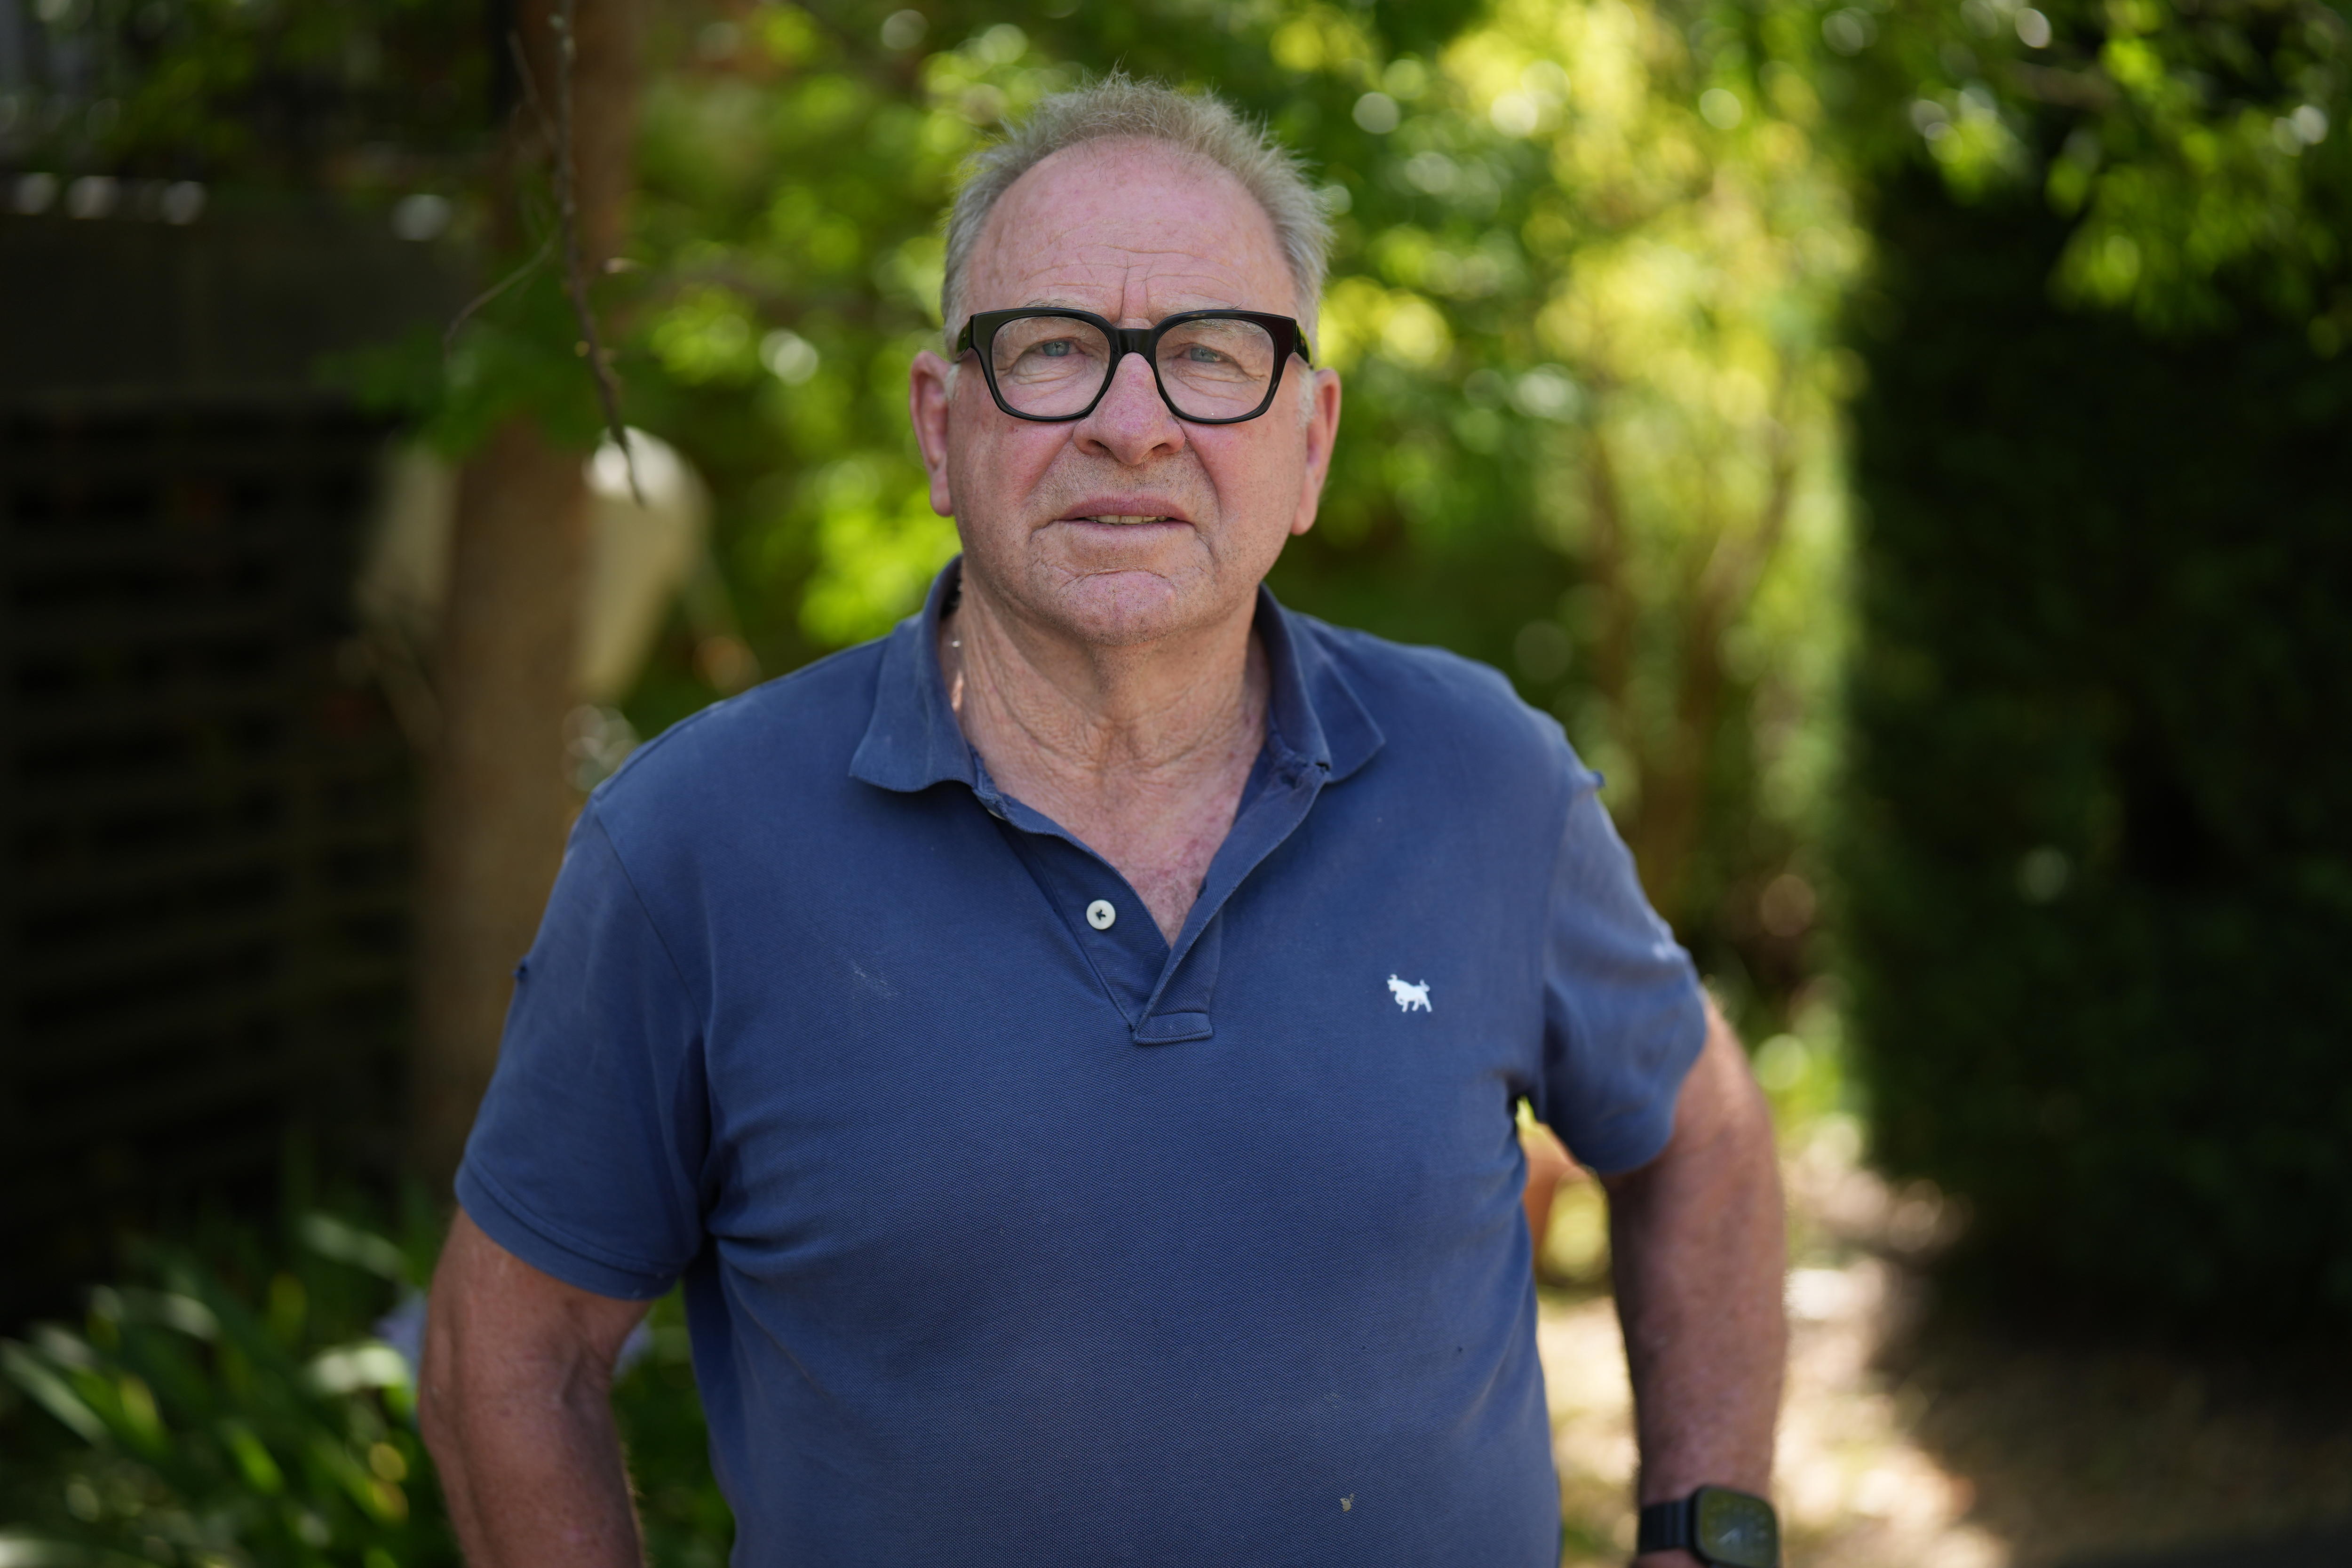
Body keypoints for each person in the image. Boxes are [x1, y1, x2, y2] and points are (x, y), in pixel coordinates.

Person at [421, 75, 1786, 1568]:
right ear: (942, 429)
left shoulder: (1487, 781)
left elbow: (1700, 1132)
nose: (1131, 426)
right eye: (1055, 350)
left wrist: (1706, 1536)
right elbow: (512, 1353)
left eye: (1209, 355)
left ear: (1311, 442)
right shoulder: (689, 844)